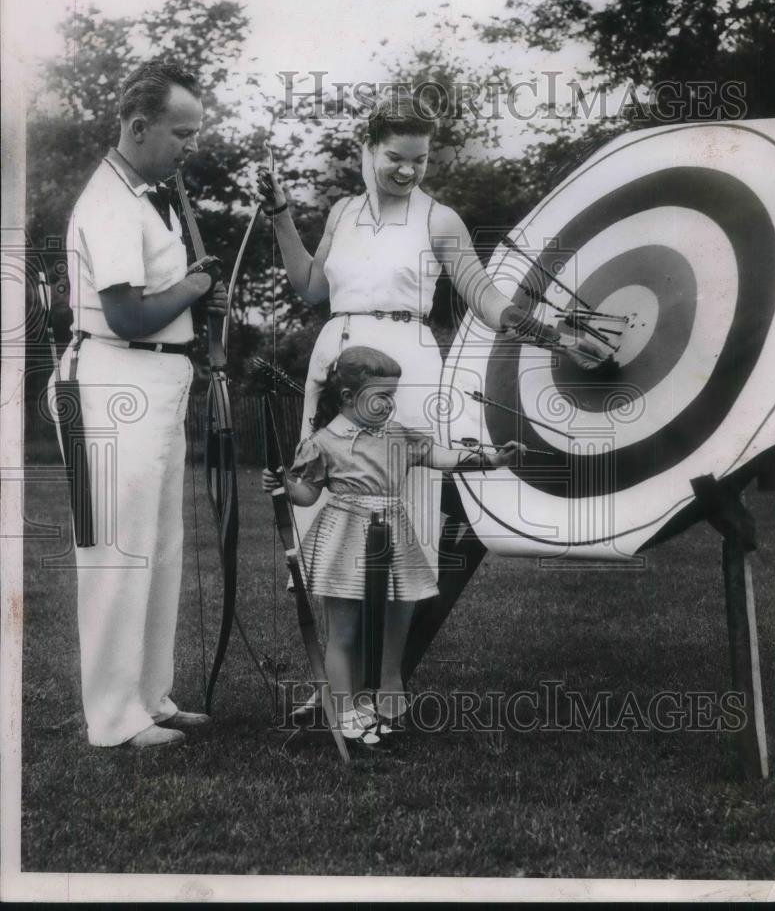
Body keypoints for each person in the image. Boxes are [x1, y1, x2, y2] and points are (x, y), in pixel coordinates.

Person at [257, 87, 605, 707]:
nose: (408, 169)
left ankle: (388, 683)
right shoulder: (340, 213)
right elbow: (311, 287)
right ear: (367, 148)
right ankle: (337, 688)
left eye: (419, 160)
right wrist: (282, 215)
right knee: (328, 514)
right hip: (335, 363)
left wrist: (550, 336)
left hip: (405, 371)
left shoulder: (438, 218)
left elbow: (486, 297)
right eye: (396, 156)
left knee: (399, 520)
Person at [52, 59, 227, 749]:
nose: (190, 146)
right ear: (138, 126)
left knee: (157, 548)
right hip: (111, 381)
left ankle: (148, 696)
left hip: (150, 382)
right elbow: (125, 314)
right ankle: (113, 718)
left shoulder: (141, 197)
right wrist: (195, 286)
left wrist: (190, 295)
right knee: (116, 552)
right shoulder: (109, 202)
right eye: (181, 134)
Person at [262, 346, 524, 748]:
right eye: (379, 395)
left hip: (394, 534)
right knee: (343, 631)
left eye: (392, 395)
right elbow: (305, 495)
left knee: (397, 619)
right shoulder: (324, 442)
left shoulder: (398, 436)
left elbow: (442, 455)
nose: (388, 404)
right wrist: (282, 483)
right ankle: (346, 712)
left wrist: (492, 460)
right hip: (345, 536)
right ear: (348, 397)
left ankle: (386, 701)